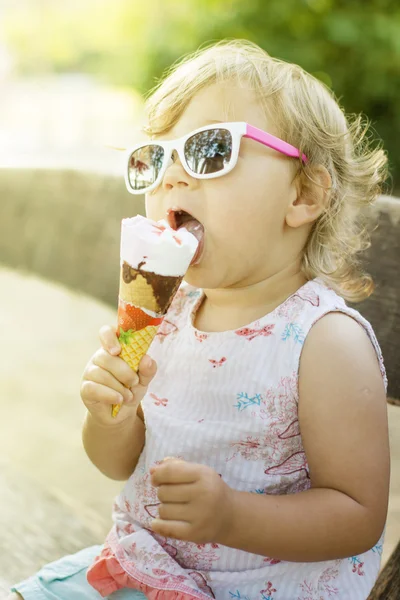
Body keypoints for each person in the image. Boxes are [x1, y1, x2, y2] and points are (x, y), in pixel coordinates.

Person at [9, 38, 390, 600]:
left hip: (251, 588)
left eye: (210, 151)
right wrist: (112, 417)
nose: (170, 178)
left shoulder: (323, 340)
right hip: (142, 567)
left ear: (304, 195)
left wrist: (232, 516)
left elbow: (358, 515)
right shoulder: (164, 311)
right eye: (153, 159)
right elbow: (117, 466)